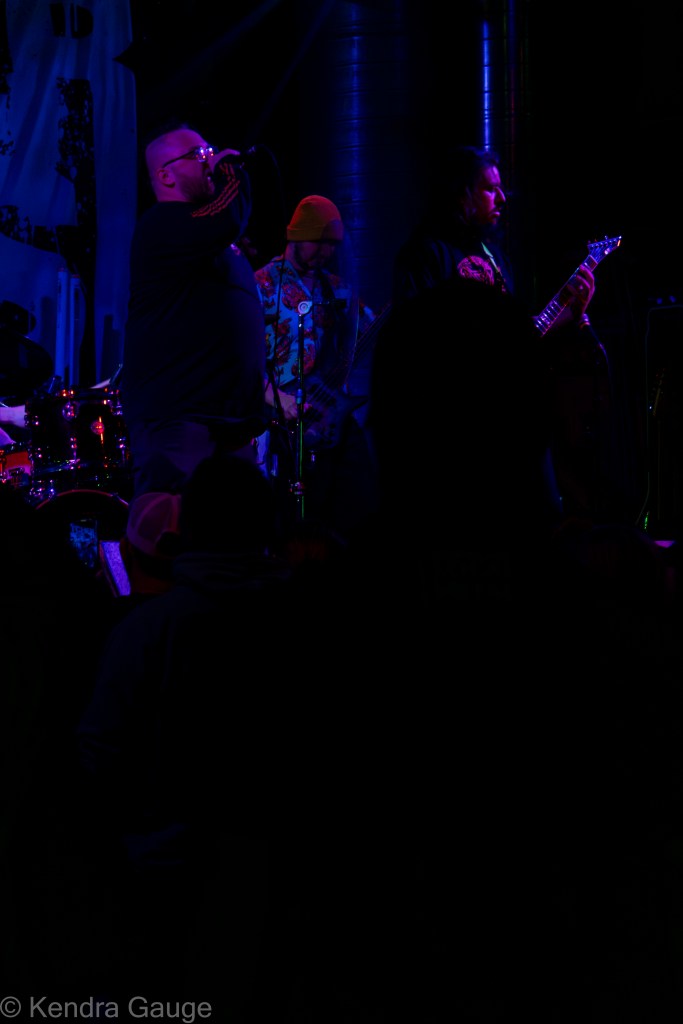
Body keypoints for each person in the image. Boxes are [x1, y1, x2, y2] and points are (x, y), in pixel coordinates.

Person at [392, 143, 619, 522]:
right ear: (461, 193)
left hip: (509, 422)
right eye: (489, 189)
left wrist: (570, 312)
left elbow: (519, 338)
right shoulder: (426, 253)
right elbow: (415, 340)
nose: (501, 199)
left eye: (501, 189)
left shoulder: (494, 255)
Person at [119, 120, 268, 500]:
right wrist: (229, 167)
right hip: (180, 417)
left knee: (239, 530)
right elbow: (226, 217)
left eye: (211, 152)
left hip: (230, 421)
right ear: (165, 175)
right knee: (174, 523)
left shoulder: (208, 239)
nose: (209, 161)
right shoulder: (161, 224)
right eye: (198, 154)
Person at [253, 194, 380, 541]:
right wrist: (276, 397)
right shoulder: (261, 285)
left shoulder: (336, 288)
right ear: (296, 235)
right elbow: (243, 356)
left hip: (331, 416)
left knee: (359, 501)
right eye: (318, 242)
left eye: (331, 245)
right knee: (289, 516)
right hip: (282, 418)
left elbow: (370, 330)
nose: (325, 252)